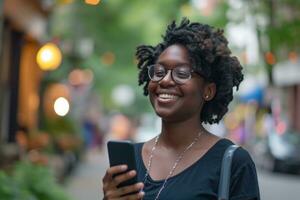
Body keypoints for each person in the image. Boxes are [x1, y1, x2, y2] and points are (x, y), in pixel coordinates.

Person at [102, 18, 260, 200]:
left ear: (208, 91)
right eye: (159, 71)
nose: (165, 80)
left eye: (182, 73)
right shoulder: (131, 160)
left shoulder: (233, 162)